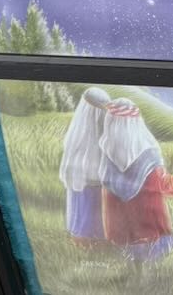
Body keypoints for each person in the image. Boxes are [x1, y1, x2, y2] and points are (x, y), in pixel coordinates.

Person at [97, 97, 173, 262]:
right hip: (150, 238)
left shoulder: (107, 151)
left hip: (119, 240)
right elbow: (162, 184)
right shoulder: (148, 154)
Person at [58, 86, 111, 243]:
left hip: (90, 182)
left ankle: (86, 237)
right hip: (88, 182)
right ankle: (86, 238)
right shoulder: (83, 133)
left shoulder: (78, 133)